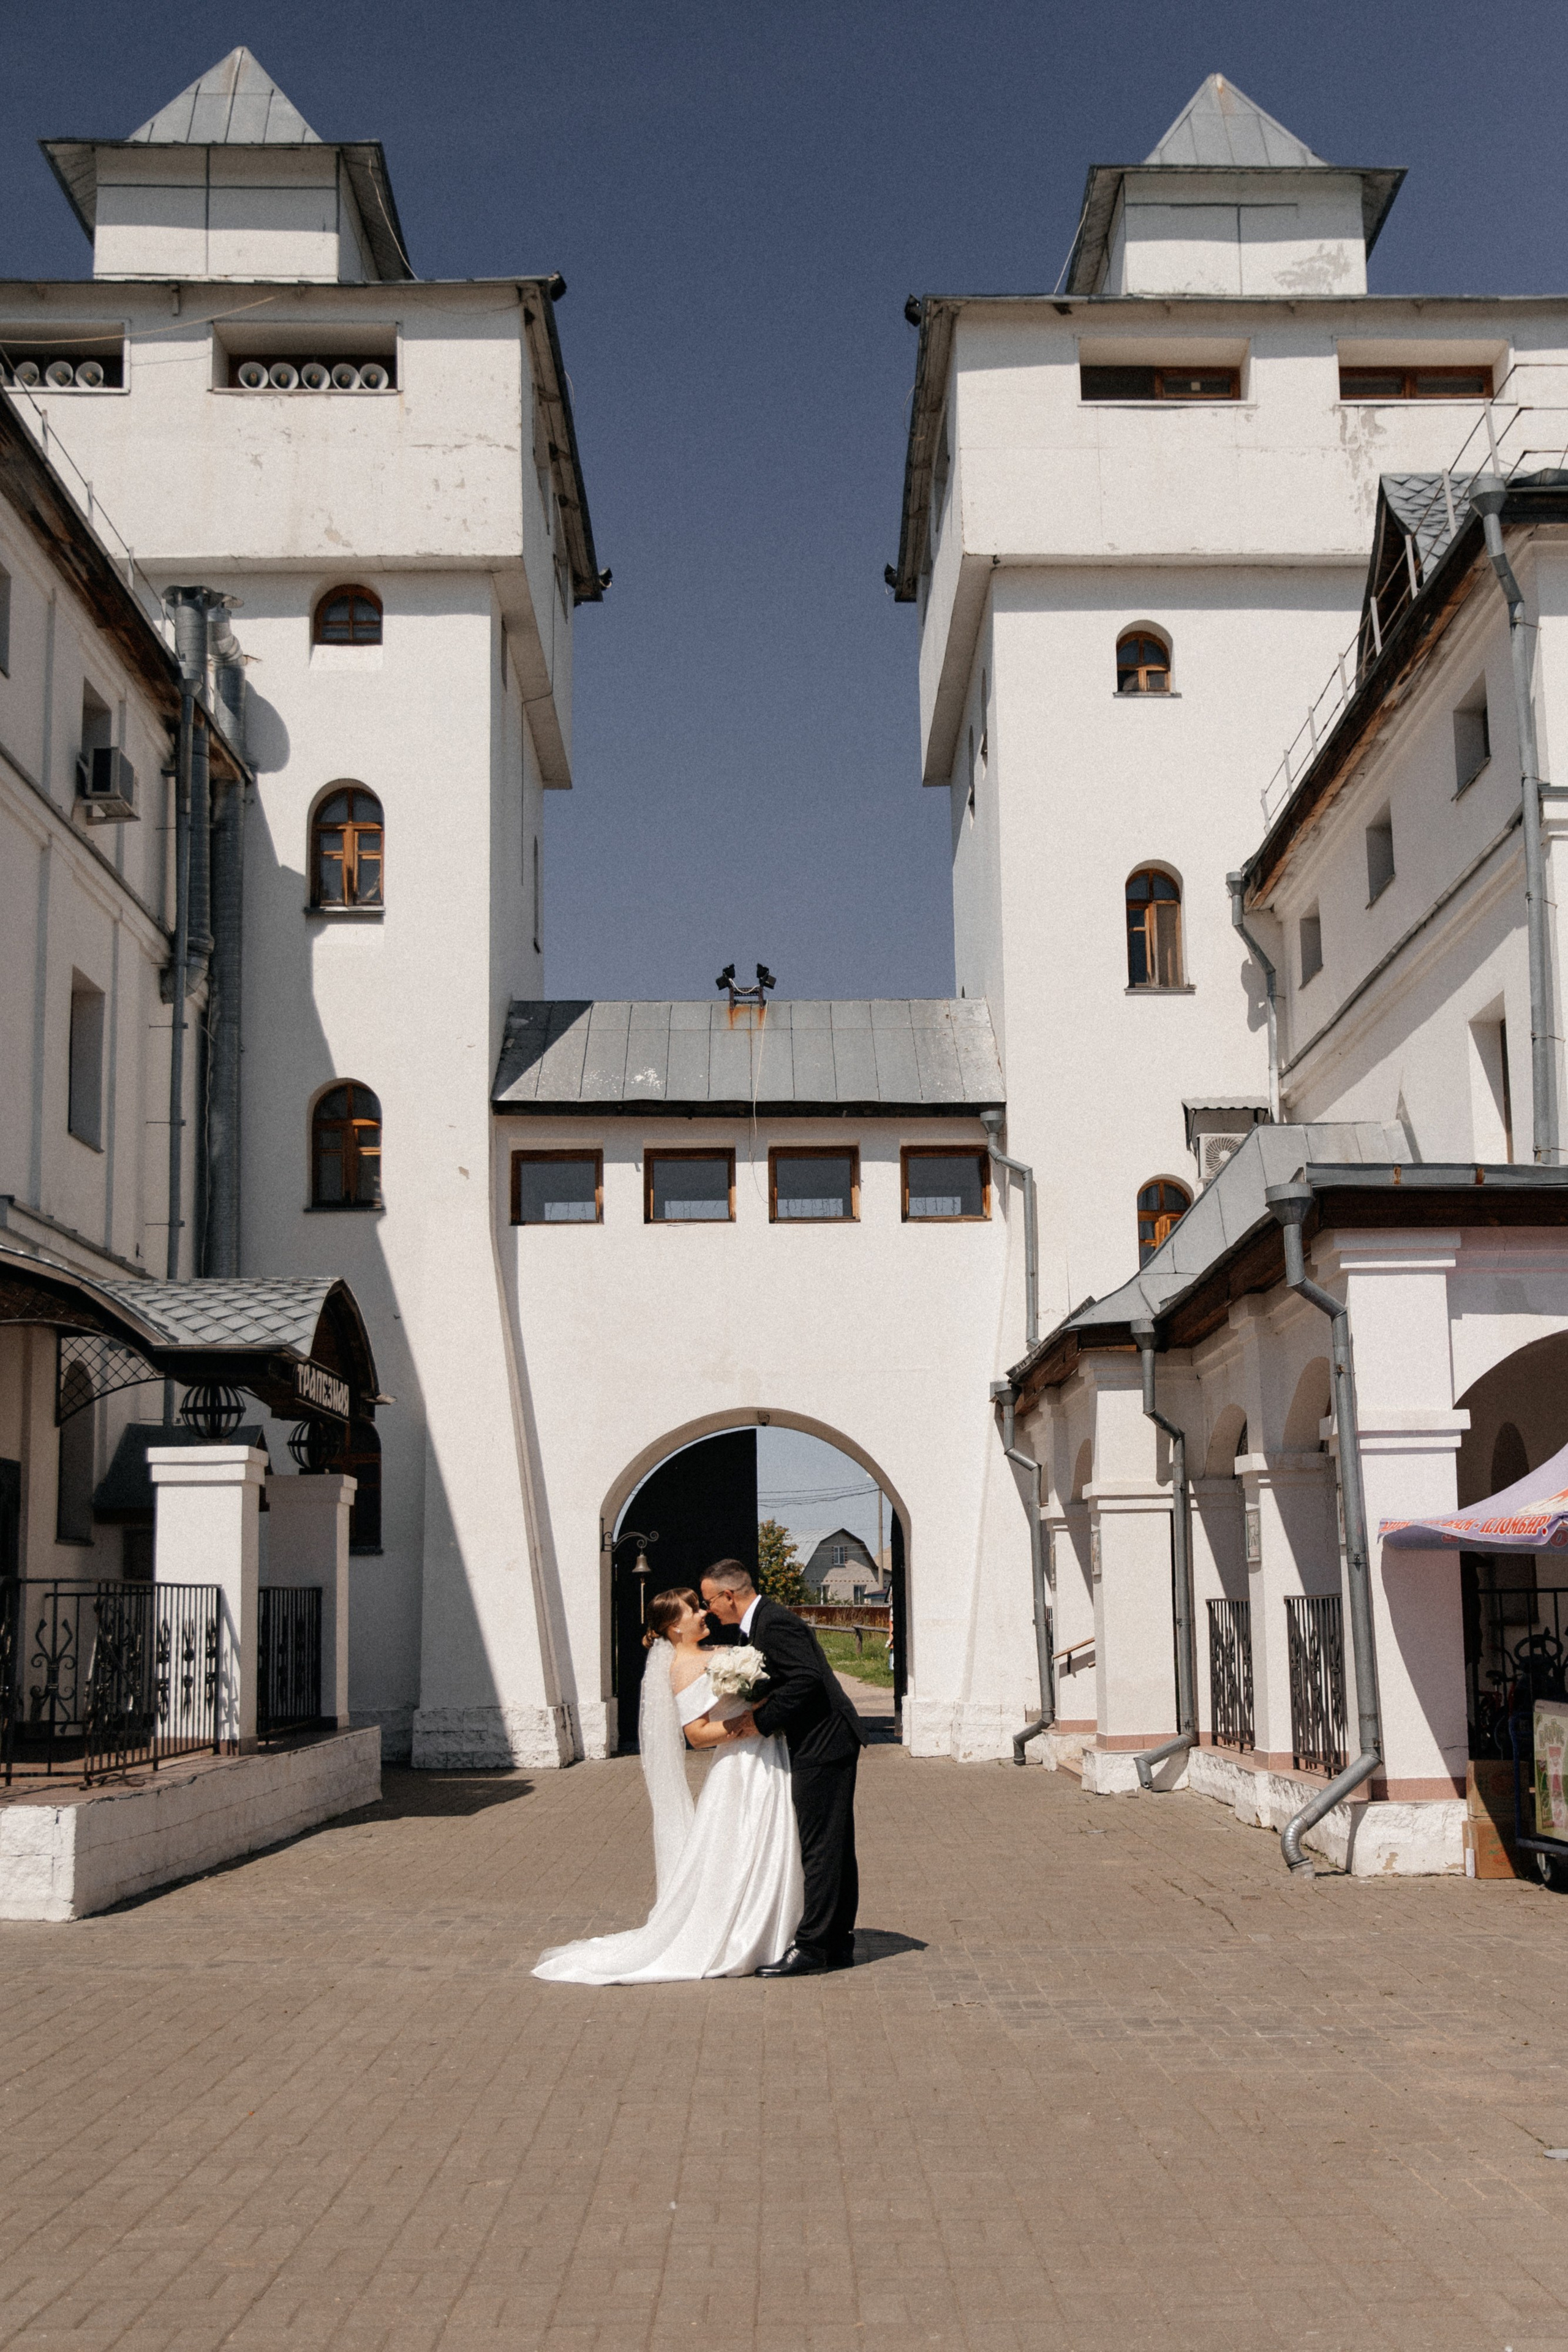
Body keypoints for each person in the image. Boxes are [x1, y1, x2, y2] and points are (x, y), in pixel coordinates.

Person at [532, 1588, 802, 1984]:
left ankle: (772, 1927)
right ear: (675, 1627)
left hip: (766, 1755)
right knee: (746, 1846)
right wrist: (747, 1723)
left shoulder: (717, 1653)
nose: (702, 1613)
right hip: (740, 1764)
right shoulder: (683, 1668)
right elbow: (696, 1735)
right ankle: (750, 1932)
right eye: (693, 1609)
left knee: (767, 1845)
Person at [701, 1558, 867, 1977]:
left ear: (729, 1595)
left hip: (824, 1741)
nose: (708, 1610)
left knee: (821, 1847)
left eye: (709, 1601)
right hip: (824, 1740)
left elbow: (807, 1680)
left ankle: (812, 1947)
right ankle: (836, 1941)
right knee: (833, 1844)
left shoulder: (773, 1623)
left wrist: (759, 1720)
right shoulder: (761, 1623)